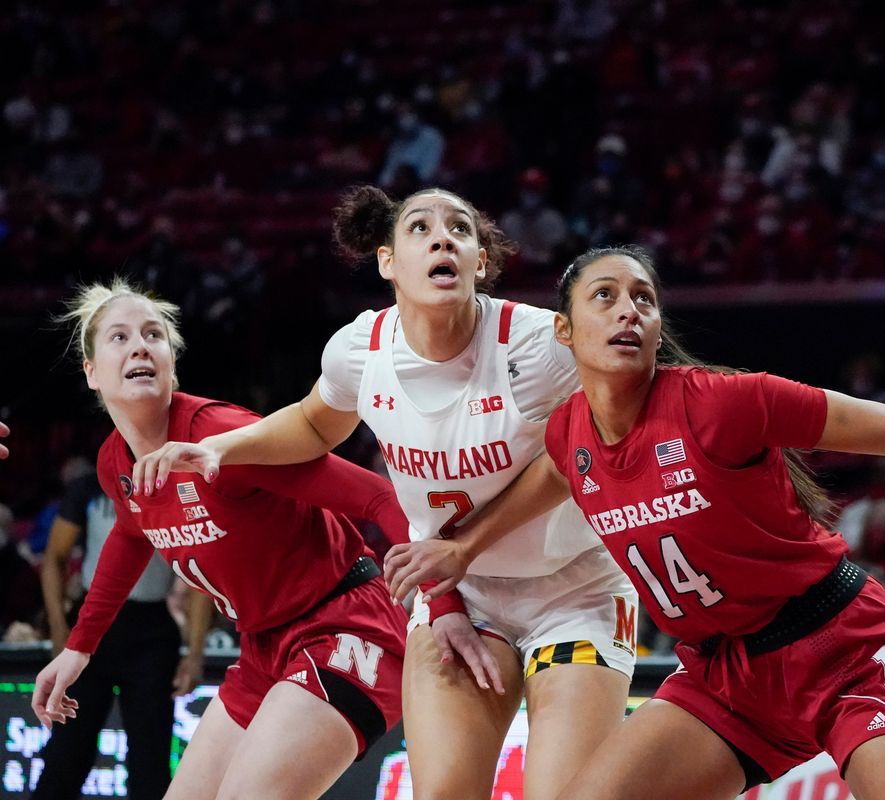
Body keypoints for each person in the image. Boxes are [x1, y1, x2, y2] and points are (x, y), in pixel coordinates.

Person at [386, 244, 885, 800]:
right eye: (606, 297)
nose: (629, 311)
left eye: (645, 299)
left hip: (838, 646)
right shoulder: (570, 434)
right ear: (565, 331)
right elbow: (550, 478)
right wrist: (460, 550)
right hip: (725, 677)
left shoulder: (724, 402)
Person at [132, 187, 639, 800]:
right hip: (463, 594)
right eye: (420, 228)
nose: (442, 237)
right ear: (388, 262)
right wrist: (223, 449)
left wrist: (466, 545)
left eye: (459, 229)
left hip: (572, 587)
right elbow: (316, 424)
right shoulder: (361, 349)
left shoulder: (535, 346)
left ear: (480, 262)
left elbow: (580, 454)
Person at [32, 278, 486, 800]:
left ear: (171, 363)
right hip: (262, 648)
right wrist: (79, 649)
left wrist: (445, 603)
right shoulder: (116, 463)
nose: (139, 345)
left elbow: (379, 497)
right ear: (91, 373)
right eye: (119, 337)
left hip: (344, 624)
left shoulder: (219, 437)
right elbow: (132, 536)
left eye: (153, 334)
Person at [35, 465, 212, 800]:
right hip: (92, 624)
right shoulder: (89, 486)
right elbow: (54, 558)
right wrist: (60, 630)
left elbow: (198, 575)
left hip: (152, 629)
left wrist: (195, 651)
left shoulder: (178, 487)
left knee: (151, 758)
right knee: (67, 752)